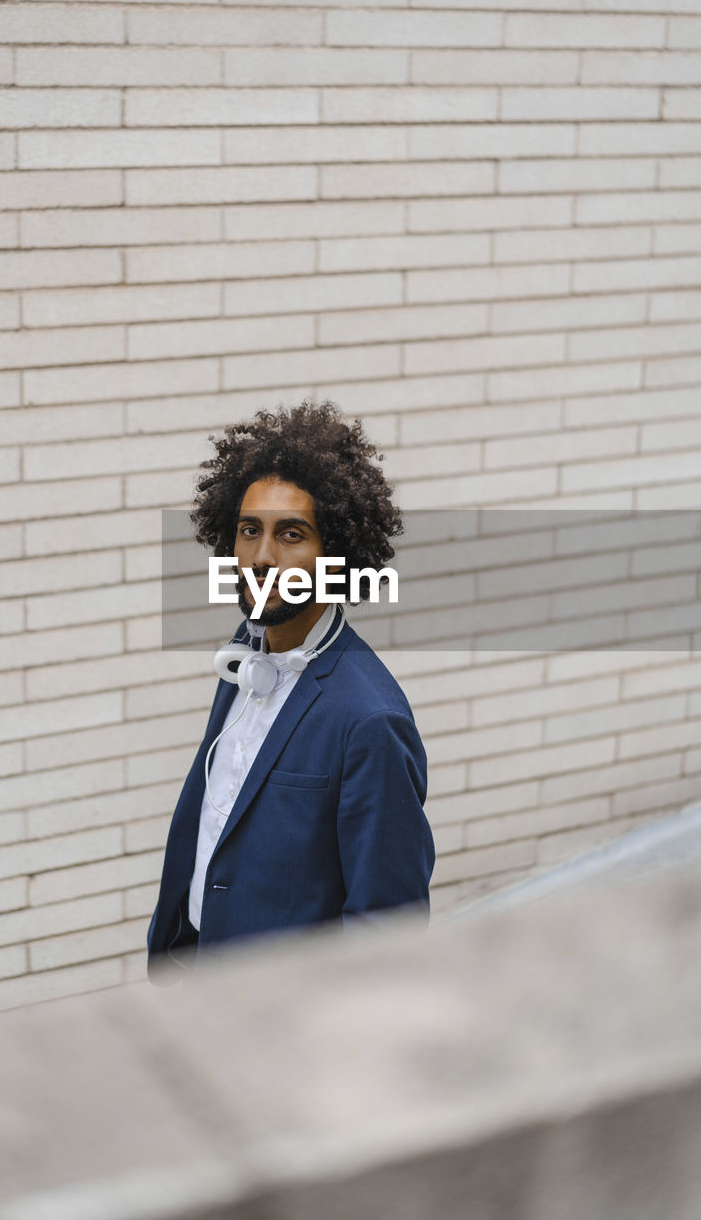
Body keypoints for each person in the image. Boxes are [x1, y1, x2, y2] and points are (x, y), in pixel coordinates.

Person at [147, 400, 435, 980]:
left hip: (284, 1023)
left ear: (337, 555)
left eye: (292, 535)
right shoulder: (249, 650)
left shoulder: (369, 720)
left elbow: (386, 933)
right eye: (249, 530)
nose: (262, 557)